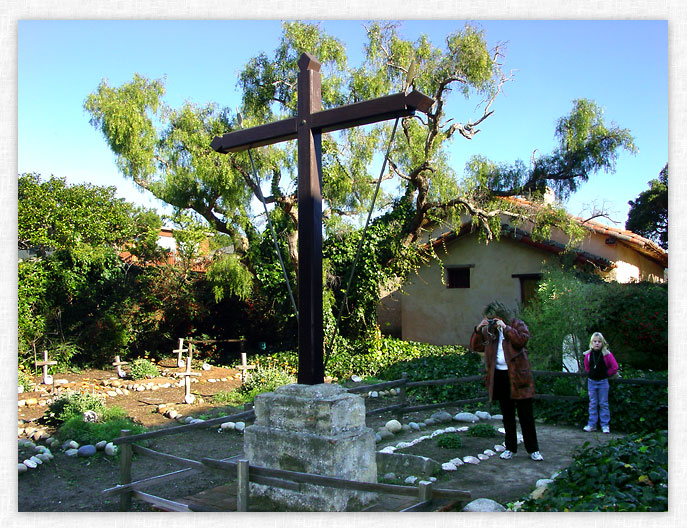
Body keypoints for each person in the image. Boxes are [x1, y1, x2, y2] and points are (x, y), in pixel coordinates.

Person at [470, 301, 543, 461]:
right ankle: (510, 447)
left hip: (518, 376)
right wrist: (478, 329)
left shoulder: (517, 324)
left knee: (526, 416)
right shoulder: (490, 332)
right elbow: (476, 347)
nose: (492, 322)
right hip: (500, 376)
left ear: (501, 316)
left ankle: (533, 449)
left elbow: (521, 341)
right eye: (489, 319)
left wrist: (506, 328)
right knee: (507, 415)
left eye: (494, 319)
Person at [583, 332, 619, 434]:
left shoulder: (607, 355)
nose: (597, 343)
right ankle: (592, 424)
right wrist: (590, 372)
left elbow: (615, 367)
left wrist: (607, 374)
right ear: (591, 343)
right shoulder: (588, 355)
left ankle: (605, 425)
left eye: (599, 341)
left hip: (603, 381)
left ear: (602, 343)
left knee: (603, 403)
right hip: (592, 381)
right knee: (593, 403)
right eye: (595, 341)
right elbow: (586, 366)